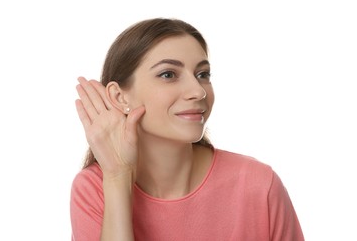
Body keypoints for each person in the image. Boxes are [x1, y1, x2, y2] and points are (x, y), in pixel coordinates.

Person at [70, 18, 305, 241]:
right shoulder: (94, 189)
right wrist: (118, 178)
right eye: (168, 75)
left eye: (202, 75)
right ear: (120, 97)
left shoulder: (259, 184)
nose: (198, 91)